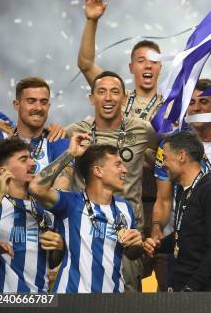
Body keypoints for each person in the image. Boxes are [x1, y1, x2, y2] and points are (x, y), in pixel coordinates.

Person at [77, 0, 166, 290]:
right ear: (132, 68)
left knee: (129, 292)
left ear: (161, 67)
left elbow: (170, 158)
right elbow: (87, 65)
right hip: (92, 219)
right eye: (141, 60)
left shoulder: (171, 107)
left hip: (138, 215)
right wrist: (92, 21)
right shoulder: (113, 96)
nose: (148, 66)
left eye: (154, 61)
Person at [66, 70, 159, 292]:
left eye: (115, 92)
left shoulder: (143, 130)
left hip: (129, 232)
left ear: (125, 98)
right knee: (84, 292)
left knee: (127, 296)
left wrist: (155, 225)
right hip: (86, 233)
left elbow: (161, 161)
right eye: (101, 92)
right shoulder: (75, 132)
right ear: (92, 98)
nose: (108, 98)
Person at [152, 78, 211, 290]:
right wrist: (157, 227)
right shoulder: (171, 146)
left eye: (203, 102)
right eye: (192, 103)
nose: (197, 108)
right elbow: (164, 199)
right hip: (188, 243)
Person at [28, 138, 144, 293]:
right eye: (118, 165)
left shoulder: (124, 207)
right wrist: (70, 153)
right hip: (72, 299)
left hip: (113, 301)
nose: (125, 170)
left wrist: (137, 243)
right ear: (98, 171)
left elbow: (131, 254)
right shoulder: (71, 202)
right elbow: (36, 187)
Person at [144, 130, 211, 291]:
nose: (163, 164)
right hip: (186, 287)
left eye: (165, 157)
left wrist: (191, 288)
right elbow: (187, 235)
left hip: (209, 294)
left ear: (181, 156)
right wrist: (158, 245)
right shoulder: (185, 191)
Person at [0, 137, 64, 292]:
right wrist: (0, 194)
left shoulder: (44, 205)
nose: (33, 163)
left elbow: (52, 262)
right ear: (4, 171)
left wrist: (59, 247)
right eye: (23, 159)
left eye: (31, 158)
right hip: (1, 298)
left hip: (40, 297)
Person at [0, 77, 72, 191]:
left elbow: (63, 183)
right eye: (31, 101)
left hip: (44, 208)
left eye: (43, 102)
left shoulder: (58, 143)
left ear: (48, 106)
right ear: (16, 104)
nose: (38, 107)